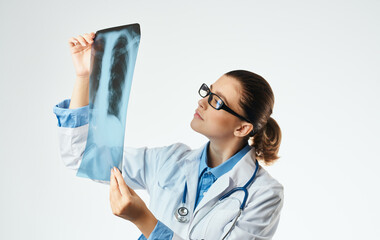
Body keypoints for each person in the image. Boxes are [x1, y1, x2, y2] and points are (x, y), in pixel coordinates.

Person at [53, 32, 284, 240]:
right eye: (208, 91)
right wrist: (84, 77)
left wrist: (143, 219)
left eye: (217, 101)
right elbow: (82, 157)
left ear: (242, 128)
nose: (202, 101)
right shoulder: (170, 160)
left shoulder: (264, 194)